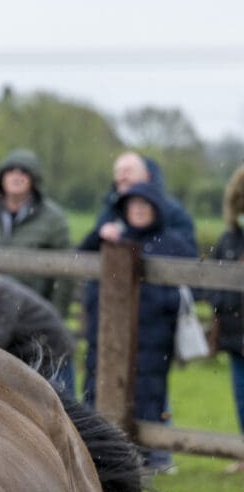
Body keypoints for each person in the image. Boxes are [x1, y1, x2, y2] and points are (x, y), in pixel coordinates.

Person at [80, 182, 198, 473]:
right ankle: (103, 455)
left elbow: (191, 279)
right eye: (133, 206)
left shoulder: (171, 242)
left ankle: (151, 457)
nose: (139, 211)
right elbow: (78, 260)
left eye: (145, 206)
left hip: (153, 335)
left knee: (148, 393)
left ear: (156, 209)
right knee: (99, 386)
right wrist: (98, 236)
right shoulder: (113, 236)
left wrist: (159, 300)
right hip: (107, 334)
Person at [0, 149, 73, 317]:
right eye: (10, 171)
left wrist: (54, 315)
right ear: (2, 177)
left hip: (32, 312)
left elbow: (65, 273)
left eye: (23, 171)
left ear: (33, 179)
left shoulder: (53, 218)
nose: (16, 176)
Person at [203, 165, 244, 473]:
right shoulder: (229, 240)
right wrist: (221, 306)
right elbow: (210, 280)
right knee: (242, 397)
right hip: (235, 334)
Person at [92, 151, 197, 252]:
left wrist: (144, 244)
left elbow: (185, 252)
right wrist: (100, 235)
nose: (122, 177)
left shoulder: (174, 211)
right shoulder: (110, 209)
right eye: (118, 171)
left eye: (128, 171)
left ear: (146, 176)